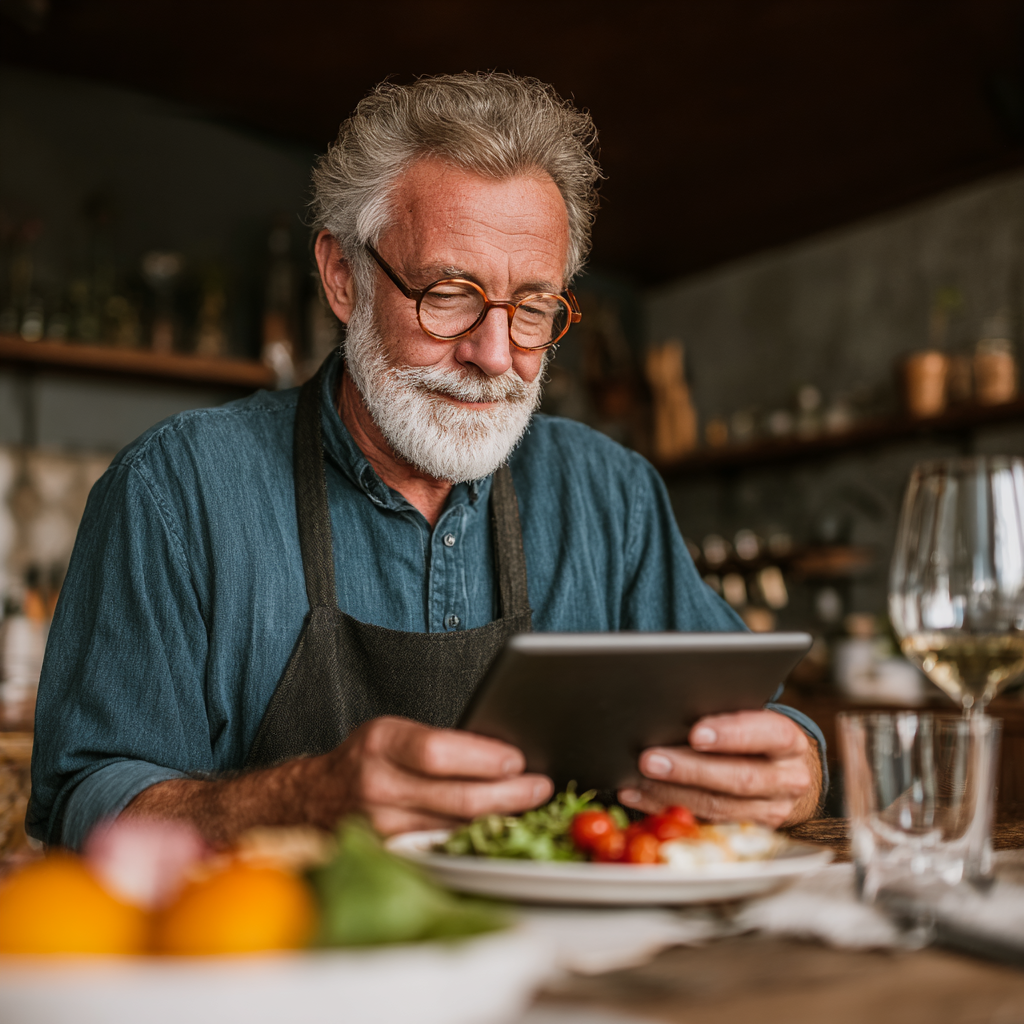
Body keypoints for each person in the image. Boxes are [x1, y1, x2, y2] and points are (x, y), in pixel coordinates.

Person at [28, 73, 823, 850]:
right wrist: (300, 801)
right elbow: (85, 803)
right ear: (344, 277)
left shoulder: (610, 495)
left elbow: (762, 724)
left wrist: (799, 769)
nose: (495, 355)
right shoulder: (176, 490)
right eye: (449, 293)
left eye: (532, 308)